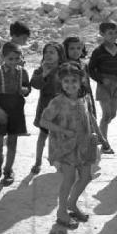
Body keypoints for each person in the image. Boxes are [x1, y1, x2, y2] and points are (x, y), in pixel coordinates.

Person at [40, 62, 108, 234]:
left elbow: (90, 116)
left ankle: (72, 203)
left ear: (81, 81)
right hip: (65, 147)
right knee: (69, 179)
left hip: (84, 144)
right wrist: (63, 130)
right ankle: (62, 213)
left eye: (74, 81)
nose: (70, 85)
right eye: (66, 82)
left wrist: (100, 136)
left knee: (86, 176)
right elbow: (44, 121)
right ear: (61, 83)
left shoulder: (83, 98)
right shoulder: (57, 102)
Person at [0, 43, 31, 185]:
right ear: (3, 57)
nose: (14, 62)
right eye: (11, 59)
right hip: (1, 108)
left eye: (17, 58)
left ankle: (8, 170)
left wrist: (25, 90)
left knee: (13, 141)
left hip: (16, 109)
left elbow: (27, 89)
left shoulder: (23, 72)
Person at [88, 21, 117, 155]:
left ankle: (100, 134)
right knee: (106, 115)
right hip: (104, 85)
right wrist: (101, 79)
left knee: (112, 114)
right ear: (102, 34)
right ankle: (104, 143)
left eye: (115, 33)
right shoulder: (98, 51)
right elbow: (90, 69)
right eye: (110, 33)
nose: (114, 36)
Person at [30, 42, 65, 175]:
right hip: (45, 109)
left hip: (61, 109)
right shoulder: (41, 69)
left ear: (59, 55)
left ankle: (60, 160)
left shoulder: (64, 69)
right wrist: (44, 74)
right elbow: (34, 84)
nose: (48, 55)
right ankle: (38, 161)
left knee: (60, 136)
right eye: (46, 52)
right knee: (43, 136)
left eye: (52, 52)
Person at [63, 36, 97, 117]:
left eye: (78, 48)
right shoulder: (64, 66)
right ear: (65, 50)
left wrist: (92, 108)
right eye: (72, 48)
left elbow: (87, 87)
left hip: (85, 101)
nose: (76, 51)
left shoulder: (83, 65)